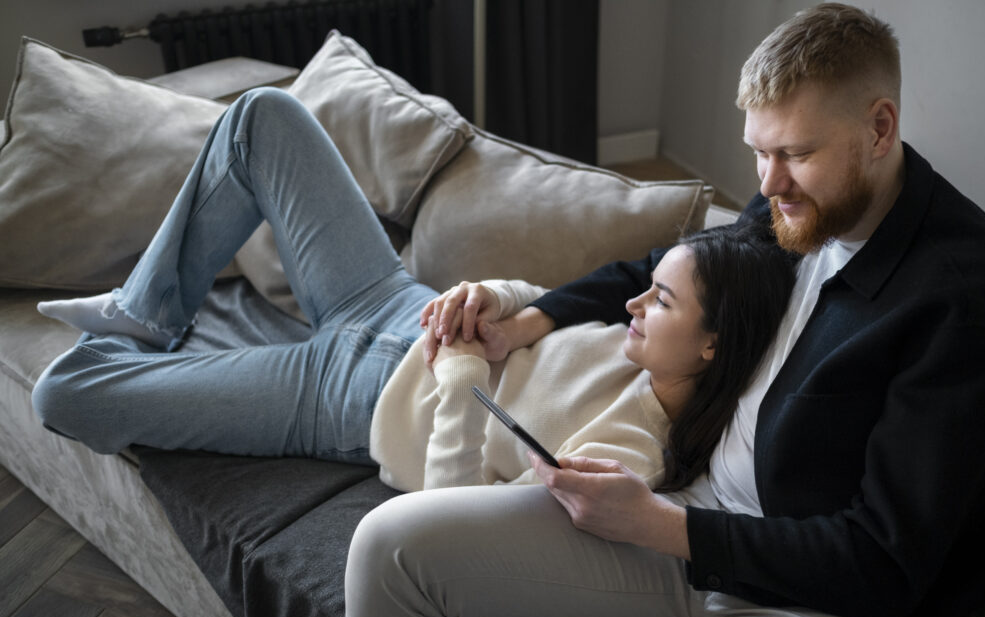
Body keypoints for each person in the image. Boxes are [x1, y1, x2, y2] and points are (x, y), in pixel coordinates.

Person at [345, 4, 985, 617]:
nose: (767, 183)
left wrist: (660, 526)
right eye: (759, 151)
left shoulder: (965, 302)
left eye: (796, 154)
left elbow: (884, 566)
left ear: (880, 128)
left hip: (831, 614)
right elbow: (661, 271)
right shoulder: (796, 205)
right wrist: (526, 318)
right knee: (391, 544)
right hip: (691, 523)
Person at [30, 86, 793, 495]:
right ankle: (146, 312)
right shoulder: (637, 336)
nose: (632, 300)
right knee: (265, 115)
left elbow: (456, 523)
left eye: (658, 298)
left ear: (712, 342)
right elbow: (544, 300)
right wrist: (495, 299)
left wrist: (460, 384)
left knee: (64, 392)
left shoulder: (631, 452)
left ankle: (138, 331)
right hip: (390, 300)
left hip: (347, 397)